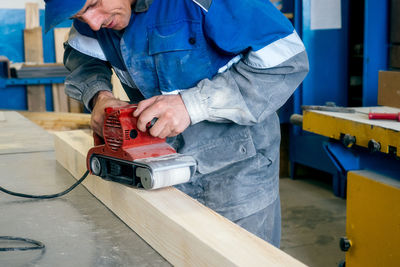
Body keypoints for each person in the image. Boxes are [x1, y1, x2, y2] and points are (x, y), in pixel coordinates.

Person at [44, 0, 309, 247]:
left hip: (236, 178)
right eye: (78, 15)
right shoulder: (96, 18)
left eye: (93, 4)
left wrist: (192, 104)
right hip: (159, 171)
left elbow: (288, 63)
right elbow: (82, 53)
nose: (92, 22)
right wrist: (98, 95)